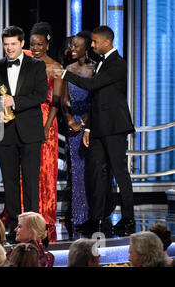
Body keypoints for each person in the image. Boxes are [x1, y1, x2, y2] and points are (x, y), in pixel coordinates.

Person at [54, 25, 136, 236]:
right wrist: (89, 127)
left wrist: (64, 73)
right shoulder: (102, 63)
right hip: (98, 128)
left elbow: (92, 86)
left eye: (95, 42)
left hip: (115, 128)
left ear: (107, 42)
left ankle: (129, 220)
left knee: (120, 173)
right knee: (95, 173)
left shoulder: (117, 64)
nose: (92, 45)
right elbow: (96, 99)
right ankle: (95, 218)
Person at [0, 25, 47, 243]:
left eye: (13, 44)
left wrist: (15, 102)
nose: (9, 48)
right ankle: (14, 226)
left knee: (31, 181)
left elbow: (40, 96)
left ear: (22, 44)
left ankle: (32, 226)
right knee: (9, 182)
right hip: (5, 132)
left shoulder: (37, 66)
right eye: (6, 44)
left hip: (30, 131)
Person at [29, 22, 63, 242]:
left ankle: (46, 217)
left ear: (48, 44)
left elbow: (56, 102)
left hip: (46, 121)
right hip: (26, 118)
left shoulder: (55, 67)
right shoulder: (25, 62)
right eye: (32, 44)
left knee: (46, 170)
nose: (36, 48)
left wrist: (47, 126)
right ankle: (27, 215)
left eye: (40, 44)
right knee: (28, 169)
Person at [61, 31, 95, 226]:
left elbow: (96, 102)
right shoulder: (69, 69)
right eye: (71, 45)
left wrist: (82, 123)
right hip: (72, 124)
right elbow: (64, 99)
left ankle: (92, 214)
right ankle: (77, 214)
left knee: (91, 169)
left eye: (76, 46)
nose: (72, 49)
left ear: (87, 47)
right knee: (75, 170)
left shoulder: (95, 69)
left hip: (90, 124)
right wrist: (69, 120)